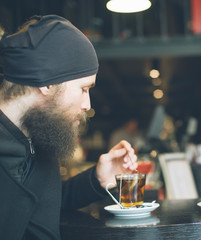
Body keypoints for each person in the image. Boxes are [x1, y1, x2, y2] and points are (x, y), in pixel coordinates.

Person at [0, 15, 138, 239]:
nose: (88, 104)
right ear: (47, 83)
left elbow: (38, 203)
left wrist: (96, 179)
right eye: (84, 89)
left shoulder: (36, 135)